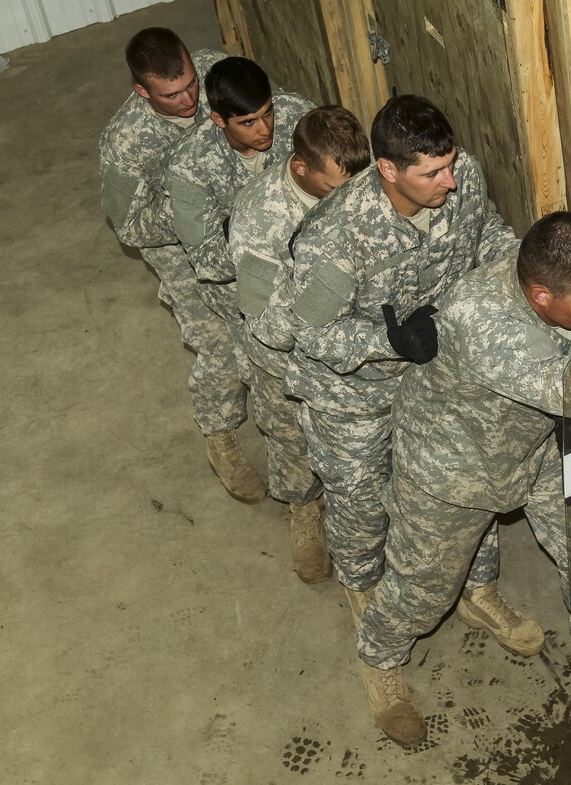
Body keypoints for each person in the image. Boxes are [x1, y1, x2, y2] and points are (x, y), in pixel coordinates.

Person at [357, 211, 571, 746]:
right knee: (424, 590)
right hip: (450, 470)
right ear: (542, 296)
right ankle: (380, 660)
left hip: (532, 448)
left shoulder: (550, 278)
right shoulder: (486, 323)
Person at [286, 95, 535, 651]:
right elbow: (310, 334)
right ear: (388, 169)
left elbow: (487, 236)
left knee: (466, 481)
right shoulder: (335, 235)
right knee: (361, 499)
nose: (449, 181)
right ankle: (366, 594)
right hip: (353, 393)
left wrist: (528, 267)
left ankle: (478, 587)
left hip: (436, 375)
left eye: (449, 164)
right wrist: (387, 340)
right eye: (432, 173)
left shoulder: (461, 175)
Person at [99, 28, 264, 501]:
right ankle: (220, 435)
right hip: (179, 251)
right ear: (142, 92)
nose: (190, 98)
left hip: (245, 226)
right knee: (219, 347)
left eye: (192, 83)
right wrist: (195, 211)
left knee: (265, 331)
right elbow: (130, 227)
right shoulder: (125, 143)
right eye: (172, 95)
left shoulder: (216, 72)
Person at [227, 106, 370, 583]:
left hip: (350, 353)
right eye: (335, 189)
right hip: (286, 362)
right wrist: (321, 303)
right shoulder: (259, 218)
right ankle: (303, 512)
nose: (349, 198)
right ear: (300, 167)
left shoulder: (356, 188)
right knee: (291, 439)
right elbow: (263, 320)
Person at [164, 56, 313, 502]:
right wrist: (262, 241)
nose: (265, 128)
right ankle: (221, 434)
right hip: (235, 291)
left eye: (267, 112)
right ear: (218, 119)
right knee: (236, 367)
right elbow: (208, 261)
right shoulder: (189, 166)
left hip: (303, 275)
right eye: (248, 122)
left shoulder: (296, 118)